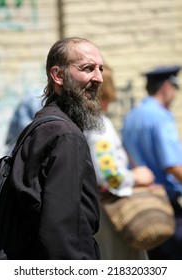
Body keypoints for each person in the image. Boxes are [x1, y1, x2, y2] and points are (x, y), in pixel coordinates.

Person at [4, 37, 104, 260]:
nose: (98, 78)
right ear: (58, 75)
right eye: (87, 68)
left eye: (100, 69)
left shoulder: (43, 124)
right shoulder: (65, 135)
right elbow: (62, 231)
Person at [84, 63, 154, 259]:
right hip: (110, 215)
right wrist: (136, 177)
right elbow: (110, 176)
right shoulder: (97, 125)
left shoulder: (79, 121)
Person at [122, 65, 182, 260]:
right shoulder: (160, 116)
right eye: (175, 88)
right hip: (165, 207)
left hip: (141, 207)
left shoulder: (133, 116)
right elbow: (172, 165)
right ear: (166, 87)